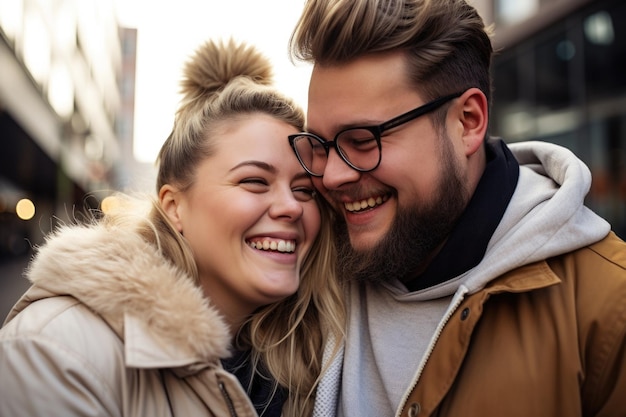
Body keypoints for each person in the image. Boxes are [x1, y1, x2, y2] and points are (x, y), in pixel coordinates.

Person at [286, 0, 626, 416]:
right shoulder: (300, 278)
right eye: (320, 145)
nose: (333, 176)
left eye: (362, 140)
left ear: (467, 121)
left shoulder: (609, 310)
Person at [0, 39, 344, 417]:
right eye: (255, 182)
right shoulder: (57, 351)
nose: (292, 207)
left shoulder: (320, 357)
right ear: (174, 207)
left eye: (304, 190)